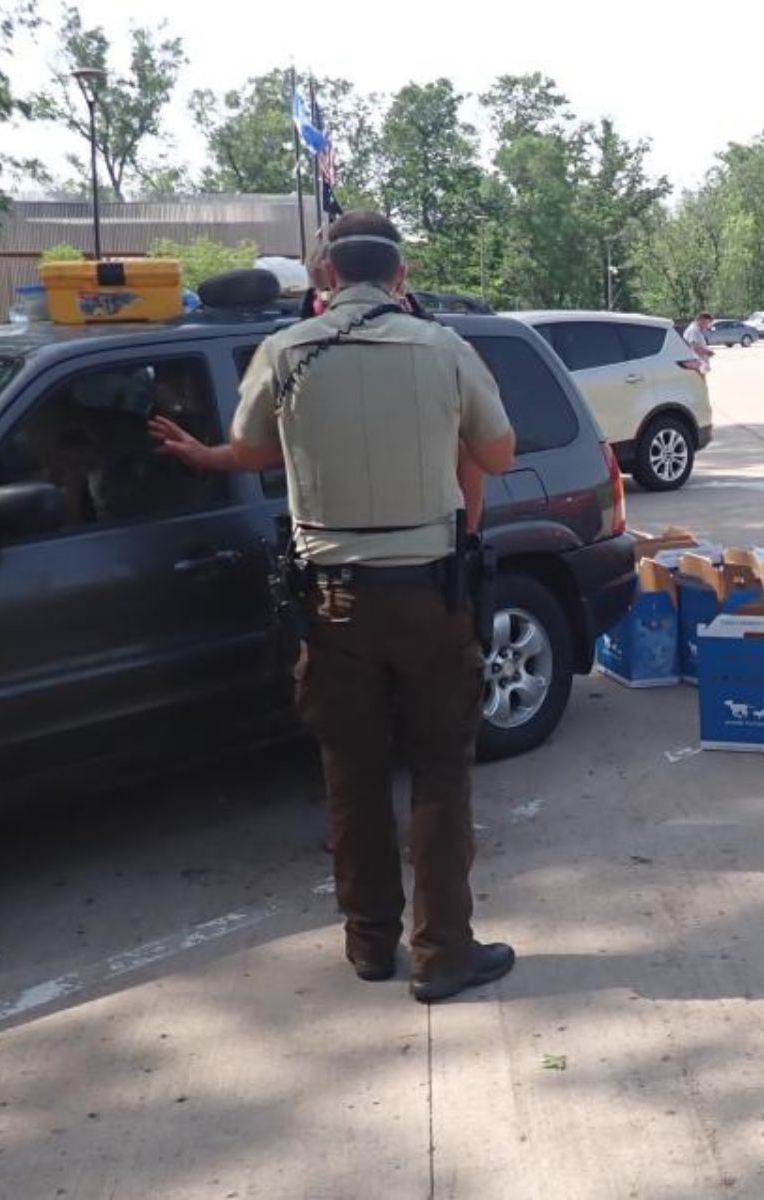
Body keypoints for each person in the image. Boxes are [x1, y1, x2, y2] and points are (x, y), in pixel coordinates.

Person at [149, 210, 518, 1004]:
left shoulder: (284, 352)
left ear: (321, 278)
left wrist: (199, 453)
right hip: (429, 597)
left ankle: (369, 945)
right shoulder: (445, 348)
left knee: (350, 776)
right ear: (401, 276)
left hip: (334, 605)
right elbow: (497, 453)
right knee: (441, 776)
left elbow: (247, 455)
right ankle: (443, 951)